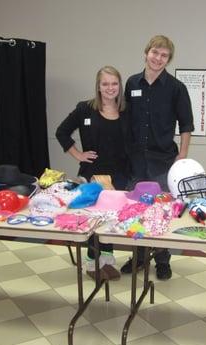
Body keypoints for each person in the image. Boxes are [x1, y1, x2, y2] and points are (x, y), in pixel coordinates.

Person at [121, 35, 194, 280]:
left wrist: (181, 157)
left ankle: (162, 259)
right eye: (155, 53)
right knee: (138, 210)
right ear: (146, 53)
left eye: (164, 55)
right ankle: (140, 256)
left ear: (168, 60)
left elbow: (186, 125)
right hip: (136, 160)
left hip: (163, 160)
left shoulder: (176, 88)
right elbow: (124, 119)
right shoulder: (132, 84)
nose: (158, 58)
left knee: (161, 212)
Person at [55, 65, 130, 280]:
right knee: (94, 220)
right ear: (98, 86)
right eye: (105, 83)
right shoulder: (84, 109)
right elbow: (61, 132)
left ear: (119, 85)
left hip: (120, 175)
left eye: (114, 83)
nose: (110, 88)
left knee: (111, 220)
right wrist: (78, 154)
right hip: (93, 174)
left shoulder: (126, 110)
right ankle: (91, 265)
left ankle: (106, 261)